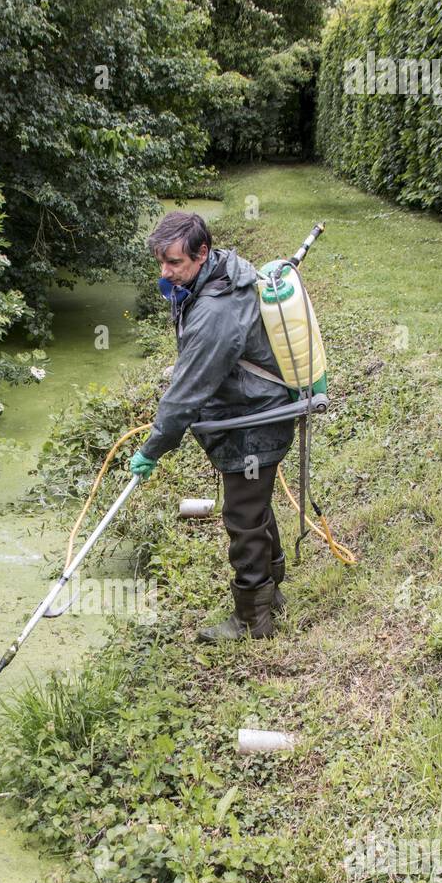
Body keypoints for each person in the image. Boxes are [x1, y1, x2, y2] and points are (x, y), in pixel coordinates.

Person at [129, 210, 294, 641]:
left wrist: (153, 448)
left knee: (242, 515)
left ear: (203, 253)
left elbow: (185, 396)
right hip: (250, 407)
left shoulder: (216, 314)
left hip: (256, 420)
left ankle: (253, 619)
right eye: (161, 263)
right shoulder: (218, 275)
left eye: (175, 264)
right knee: (254, 504)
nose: (166, 273)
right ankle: (273, 591)